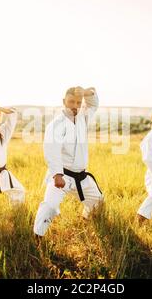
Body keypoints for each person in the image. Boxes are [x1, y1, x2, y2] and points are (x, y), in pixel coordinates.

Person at [33, 86, 103, 237]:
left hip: (81, 176)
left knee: (99, 202)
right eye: (71, 102)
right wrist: (57, 175)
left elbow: (93, 103)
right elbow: (52, 150)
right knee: (50, 206)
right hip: (62, 175)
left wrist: (85, 93)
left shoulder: (83, 116)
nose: (75, 106)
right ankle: (37, 235)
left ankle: (85, 220)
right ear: (64, 102)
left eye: (78, 102)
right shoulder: (56, 124)